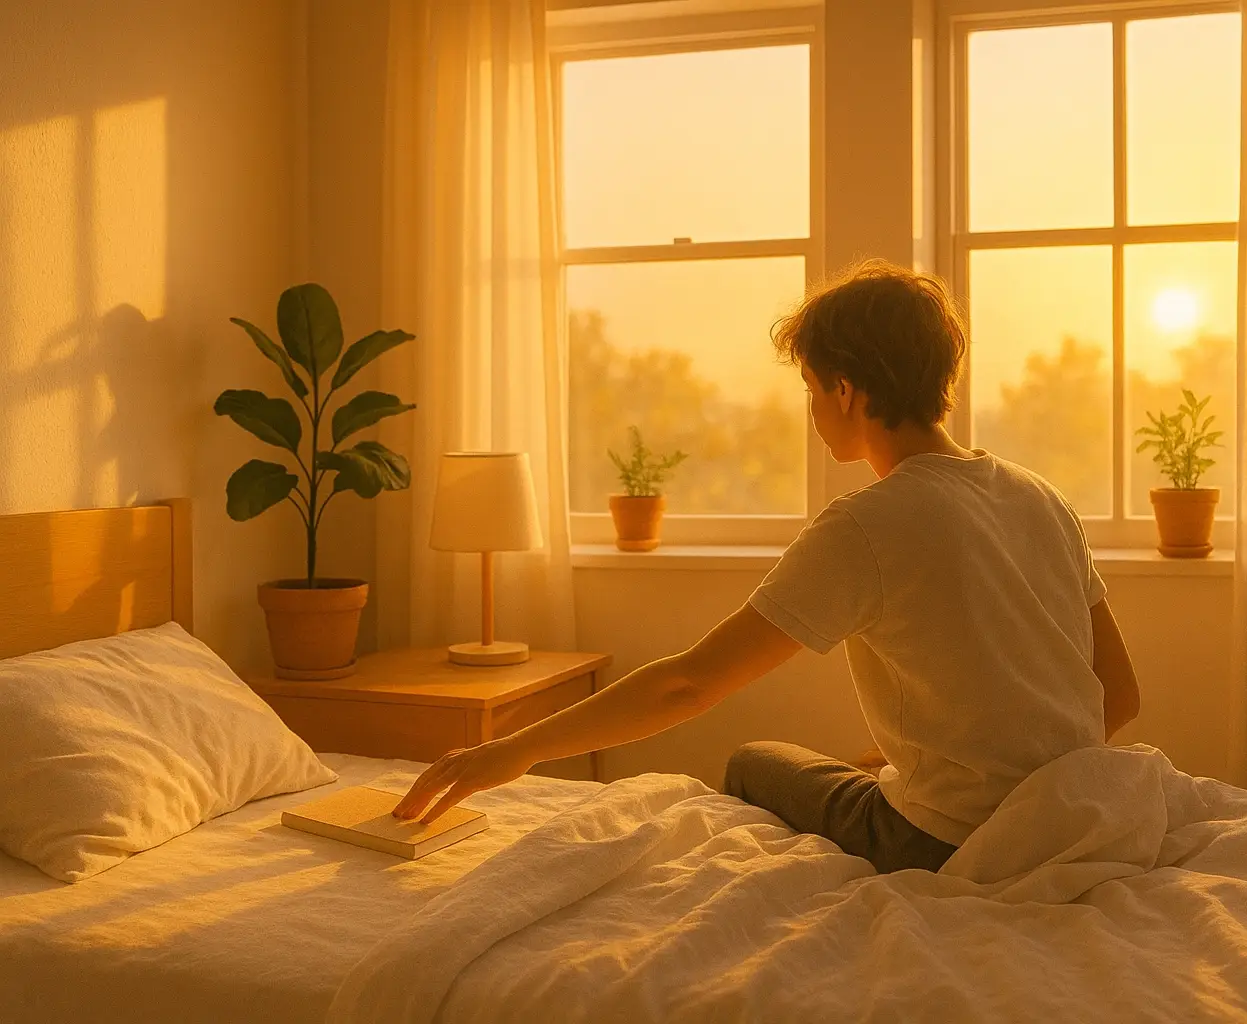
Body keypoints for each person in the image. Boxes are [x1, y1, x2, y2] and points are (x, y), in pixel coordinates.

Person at [393, 259, 1141, 874]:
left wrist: (512, 750)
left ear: (846, 390)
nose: (813, 410)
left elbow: (688, 683)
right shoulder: (1040, 496)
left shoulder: (867, 525)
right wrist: (999, 774)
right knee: (846, 768)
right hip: (1076, 816)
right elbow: (1120, 695)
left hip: (945, 841)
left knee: (755, 761)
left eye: (813, 389)